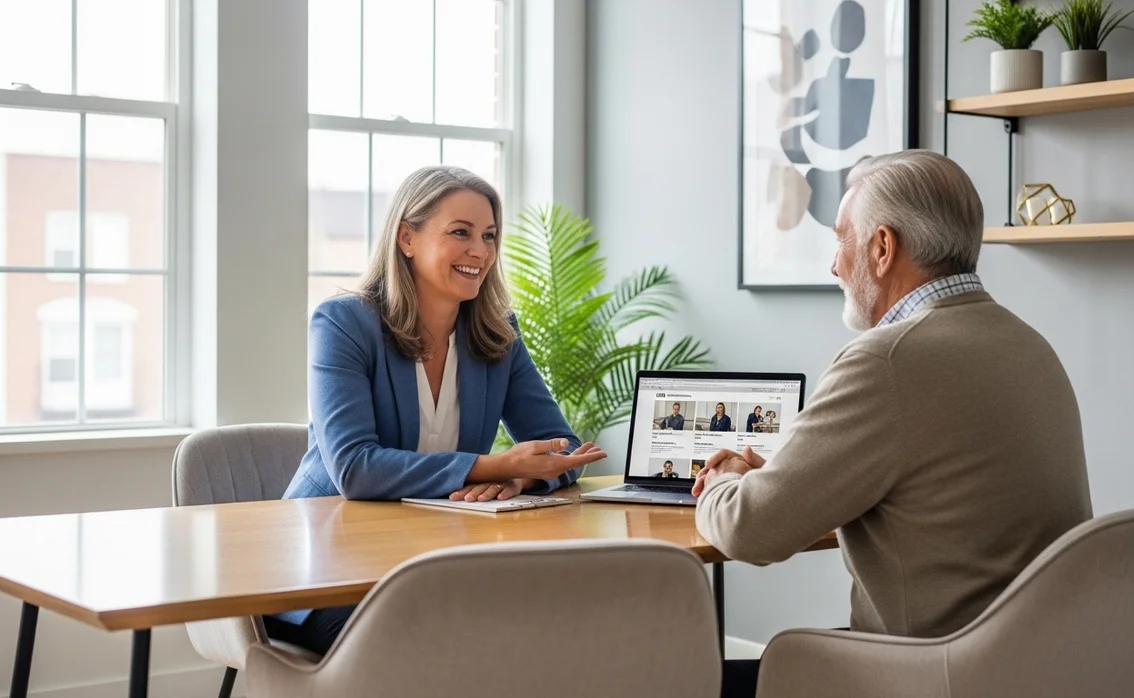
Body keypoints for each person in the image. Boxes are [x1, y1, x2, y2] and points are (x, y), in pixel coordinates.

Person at [692, 151, 1092, 698]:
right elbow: (943, 497)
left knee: (678, 681)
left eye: (841, 240)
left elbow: (748, 531)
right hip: (1033, 669)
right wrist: (796, 482)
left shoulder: (886, 359)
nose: (834, 266)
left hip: (926, 675)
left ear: (882, 248)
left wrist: (724, 480)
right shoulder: (1029, 344)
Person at [265, 165, 608, 656]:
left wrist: (519, 479)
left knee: (537, 626)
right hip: (323, 572)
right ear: (407, 237)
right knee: (436, 644)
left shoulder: (497, 333)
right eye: (460, 232)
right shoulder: (344, 324)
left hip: (433, 560)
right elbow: (356, 468)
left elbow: (567, 449)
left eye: (489, 235)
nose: (480, 251)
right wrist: (491, 466)